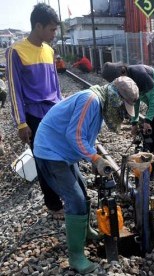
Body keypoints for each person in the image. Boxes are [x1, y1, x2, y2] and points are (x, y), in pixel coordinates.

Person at [34, 76, 139, 274]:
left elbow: (86, 136)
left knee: (83, 191)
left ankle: (87, 232)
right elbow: (74, 135)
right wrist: (95, 158)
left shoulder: (99, 103)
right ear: (115, 98)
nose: (121, 113)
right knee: (75, 199)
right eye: (121, 108)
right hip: (50, 151)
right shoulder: (90, 100)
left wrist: (92, 158)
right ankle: (75, 257)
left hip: (62, 152)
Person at [5, 3, 64, 219]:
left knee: (61, 157)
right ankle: (53, 205)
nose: (54, 33)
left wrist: (63, 107)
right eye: (51, 29)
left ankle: (65, 195)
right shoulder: (15, 52)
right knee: (43, 161)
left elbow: (56, 85)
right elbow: (14, 90)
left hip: (54, 113)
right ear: (38, 26)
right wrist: (21, 123)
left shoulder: (49, 50)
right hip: (34, 117)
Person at [102, 62, 154, 190]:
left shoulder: (140, 75)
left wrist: (147, 120)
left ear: (122, 71)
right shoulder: (128, 82)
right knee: (151, 142)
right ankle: (153, 172)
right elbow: (134, 100)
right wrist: (134, 122)